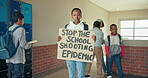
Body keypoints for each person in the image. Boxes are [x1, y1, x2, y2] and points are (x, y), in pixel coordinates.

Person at [58, 8, 92, 78]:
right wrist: (60, 39)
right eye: (74, 15)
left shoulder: (85, 26)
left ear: (81, 16)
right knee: (71, 75)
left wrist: (92, 38)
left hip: (81, 54)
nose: (76, 17)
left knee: (81, 75)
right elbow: (64, 39)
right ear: (72, 16)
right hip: (70, 54)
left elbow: (88, 40)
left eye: (78, 15)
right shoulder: (67, 26)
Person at [6, 12, 33, 78]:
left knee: (11, 75)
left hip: (9, 57)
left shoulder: (10, 29)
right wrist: (29, 45)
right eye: (22, 20)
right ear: (19, 20)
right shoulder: (21, 29)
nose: (23, 22)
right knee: (18, 75)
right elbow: (23, 44)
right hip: (17, 58)